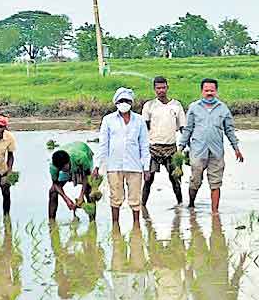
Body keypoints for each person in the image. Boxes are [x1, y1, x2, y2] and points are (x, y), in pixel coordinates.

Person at [180, 78, 243, 214]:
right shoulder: (194, 108)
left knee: (215, 182)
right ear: (201, 91)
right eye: (206, 90)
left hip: (216, 152)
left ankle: (215, 212)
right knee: (195, 180)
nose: (209, 93)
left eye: (212, 90)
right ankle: (191, 204)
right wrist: (180, 148)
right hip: (197, 150)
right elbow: (188, 129)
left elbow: (229, 130)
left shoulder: (223, 108)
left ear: (216, 91)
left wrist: (236, 148)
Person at [100, 87, 149, 228]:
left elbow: (144, 146)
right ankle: (115, 225)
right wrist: (99, 166)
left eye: (127, 101)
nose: (124, 103)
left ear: (131, 102)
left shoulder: (139, 121)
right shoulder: (108, 120)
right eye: (121, 101)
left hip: (135, 166)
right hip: (114, 166)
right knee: (115, 198)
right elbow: (104, 145)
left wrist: (146, 167)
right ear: (116, 102)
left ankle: (136, 225)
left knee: (135, 199)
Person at [141, 76, 187, 208]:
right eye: (158, 88)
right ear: (154, 89)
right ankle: (142, 207)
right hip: (153, 148)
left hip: (171, 148)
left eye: (163, 87)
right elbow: (144, 129)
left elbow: (183, 128)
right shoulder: (149, 106)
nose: (161, 90)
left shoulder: (176, 105)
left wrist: (186, 146)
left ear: (167, 87)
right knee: (148, 179)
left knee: (175, 179)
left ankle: (180, 205)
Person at [49, 142, 99, 220]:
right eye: (61, 169)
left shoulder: (80, 157)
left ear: (68, 162)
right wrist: (66, 199)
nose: (63, 170)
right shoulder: (53, 166)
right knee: (52, 191)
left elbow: (87, 176)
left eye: (64, 168)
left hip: (83, 157)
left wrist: (81, 196)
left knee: (89, 191)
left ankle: (92, 221)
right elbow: (55, 184)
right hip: (70, 156)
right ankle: (51, 221)